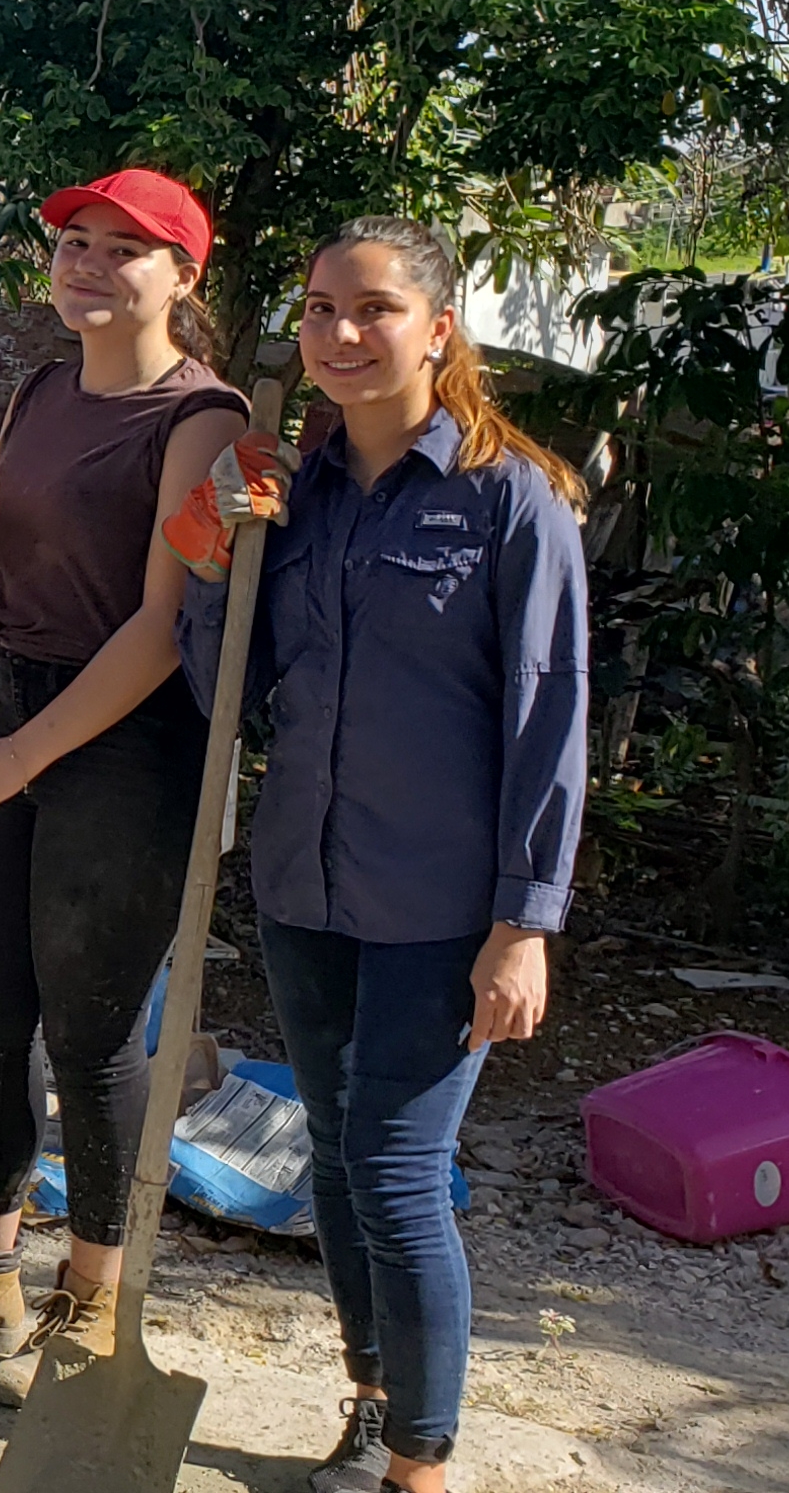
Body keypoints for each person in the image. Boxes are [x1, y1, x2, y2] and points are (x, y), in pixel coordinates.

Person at [190, 217, 586, 1493]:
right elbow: (226, 689)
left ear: (438, 329)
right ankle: (371, 1399)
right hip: (306, 887)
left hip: (440, 904)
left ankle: (422, 1462)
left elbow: (550, 717)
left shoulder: (510, 498)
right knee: (336, 1154)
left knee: (399, 1173)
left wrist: (525, 921)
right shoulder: (292, 494)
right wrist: (215, 556)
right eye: (318, 310)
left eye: (372, 310)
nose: (342, 334)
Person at [0, 167, 254, 1405]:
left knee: (90, 1030)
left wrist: (20, 758)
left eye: (124, 249)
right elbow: (4, 575)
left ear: (182, 275)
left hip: (124, 739)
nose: (87, 264)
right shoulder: (39, 389)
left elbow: (156, 628)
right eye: (76, 243)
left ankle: (93, 1303)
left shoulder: (201, 420)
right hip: (13, 701)